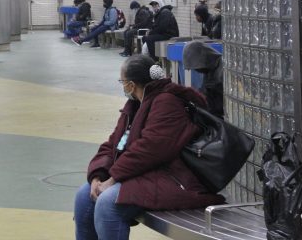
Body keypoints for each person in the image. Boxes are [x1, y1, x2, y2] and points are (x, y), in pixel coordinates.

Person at [73, 55, 224, 240]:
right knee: (84, 196)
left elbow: (151, 149)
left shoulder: (167, 102)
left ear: (132, 84)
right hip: (146, 174)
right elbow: (114, 143)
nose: (123, 86)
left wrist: (113, 179)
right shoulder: (135, 105)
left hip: (175, 179)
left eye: (123, 81)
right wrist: (98, 175)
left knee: (107, 203)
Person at [182, 41, 224, 118]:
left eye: (197, 68)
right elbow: (203, 93)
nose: (197, 71)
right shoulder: (209, 70)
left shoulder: (222, 69)